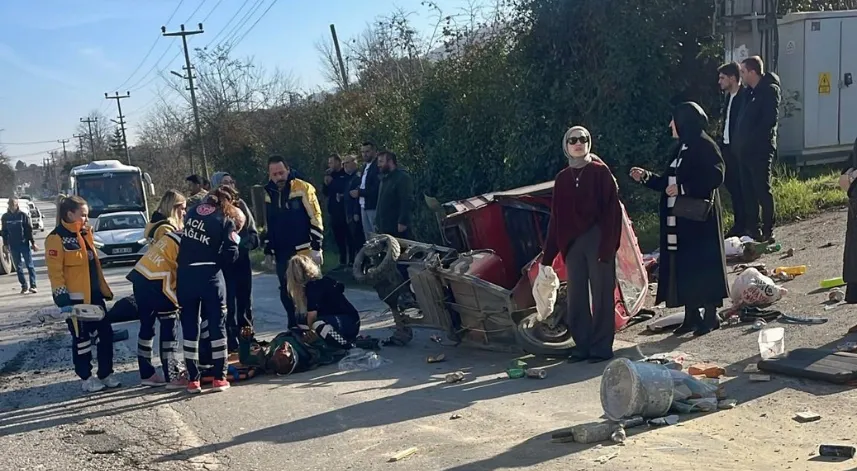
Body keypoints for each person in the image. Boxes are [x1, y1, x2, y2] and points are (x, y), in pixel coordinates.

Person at [631, 102, 729, 336]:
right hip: (679, 220)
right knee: (684, 265)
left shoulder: (705, 145)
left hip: (699, 220)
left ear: (684, 121)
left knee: (702, 265)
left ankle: (710, 315)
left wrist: (684, 188)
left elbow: (717, 175)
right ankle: (691, 315)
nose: (670, 125)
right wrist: (646, 178)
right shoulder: (680, 148)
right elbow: (668, 183)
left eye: (673, 119)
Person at [541, 126, 622, 363]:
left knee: (602, 294)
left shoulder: (600, 173)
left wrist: (608, 246)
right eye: (573, 140)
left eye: (583, 139)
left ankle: (601, 347)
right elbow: (556, 219)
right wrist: (548, 258)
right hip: (573, 245)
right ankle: (582, 345)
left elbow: (612, 214)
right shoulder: (562, 179)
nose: (578, 143)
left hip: (598, 240)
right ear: (566, 146)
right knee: (576, 296)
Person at [45, 196, 120, 393]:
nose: (86, 219)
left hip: (95, 296)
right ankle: (86, 377)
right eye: (83, 215)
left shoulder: (86, 234)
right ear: (70, 214)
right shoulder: (56, 238)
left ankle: (106, 373)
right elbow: (55, 272)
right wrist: (62, 299)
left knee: (106, 335)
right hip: (75, 300)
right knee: (82, 340)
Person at [177, 187, 243, 394]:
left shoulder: (191, 214)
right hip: (210, 277)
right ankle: (219, 378)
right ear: (228, 203)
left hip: (185, 276)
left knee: (190, 326)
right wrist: (218, 261)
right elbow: (232, 253)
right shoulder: (225, 220)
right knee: (216, 325)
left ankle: (193, 380)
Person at [263, 155, 324, 326]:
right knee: (286, 290)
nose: (278, 177)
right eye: (274, 174)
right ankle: (294, 326)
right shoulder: (269, 192)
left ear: (288, 170)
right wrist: (268, 250)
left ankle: (314, 326)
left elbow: (316, 217)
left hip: (303, 250)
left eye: (281, 173)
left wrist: (316, 247)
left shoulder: (303, 188)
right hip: (282, 251)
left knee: (308, 289)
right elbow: (270, 222)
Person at [127, 218, 185, 388]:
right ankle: (172, 375)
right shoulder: (191, 242)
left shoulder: (174, 233)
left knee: (147, 327)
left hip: (141, 275)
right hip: (159, 282)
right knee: (170, 326)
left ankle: (147, 373)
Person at [211, 172, 261, 351]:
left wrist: (242, 244)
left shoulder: (241, 205)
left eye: (231, 182)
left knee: (245, 300)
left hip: (241, 260)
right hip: (223, 265)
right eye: (225, 183)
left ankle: (247, 336)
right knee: (228, 303)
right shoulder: (211, 208)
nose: (229, 186)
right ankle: (231, 339)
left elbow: (254, 234)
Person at [735, 55, 781, 243]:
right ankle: (752, 229)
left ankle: (768, 228)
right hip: (744, 152)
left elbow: (768, 121)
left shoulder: (769, 91)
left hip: (760, 150)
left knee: (762, 189)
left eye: (744, 72)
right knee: (748, 191)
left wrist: (751, 141)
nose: (742, 76)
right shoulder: (748, 93)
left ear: (753, 72)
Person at [286, 254, 361, 349]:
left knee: (317, 324)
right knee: (300, 326)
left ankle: (346, 345)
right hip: (337, 321)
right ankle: (332, 343)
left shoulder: (315, 286)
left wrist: (310, 333)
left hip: (349, 321)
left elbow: (312, 316)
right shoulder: (308, 289)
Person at [237, 325, 348, 376]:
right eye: (285, 352)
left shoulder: (267, 359)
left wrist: (245, 340)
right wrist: (316, 340)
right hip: (320, 327)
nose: (284, 347)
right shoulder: (308, 355)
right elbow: (331, 352)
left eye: (279, 351)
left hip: (295, 326)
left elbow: (245, 359)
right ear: (293, 358)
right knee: (319, 325)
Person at [717, 62, 748, 237]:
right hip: (727, 148)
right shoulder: (728, 97)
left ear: (733, 78)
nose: (719, 81)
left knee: (743, 188)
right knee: (732, 186)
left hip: (739, 149)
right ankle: (738, 223)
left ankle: (747, 223)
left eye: (722, 78)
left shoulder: (744, 96)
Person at [1, 197, 39, 294]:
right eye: (10, 204)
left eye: (13, 204)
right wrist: (5, 245)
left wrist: (33, 242)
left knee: (29, 265)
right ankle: (24, 286)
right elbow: (4, 232)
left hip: (24, 244)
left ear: (17, 205)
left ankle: (33, 285)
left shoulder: (23, 216)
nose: (11, 206)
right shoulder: (5, 217)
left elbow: (28, 230)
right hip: (13, 245)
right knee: (18, 267)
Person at [374, 151, 414, 239]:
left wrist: (402, 222)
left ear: (390, 162)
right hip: (384, 226)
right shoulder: (384, 179)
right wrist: (377, 221)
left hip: (396, 226)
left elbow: (406, 200)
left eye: (381, 161)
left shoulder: (402, 178)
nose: (378, 165)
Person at [322, 154, 352, 269]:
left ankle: (352, 260)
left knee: (349, 236)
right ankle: (342, 260)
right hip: (334, 211)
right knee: (338, 236)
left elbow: (345, 188)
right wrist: (326, 183)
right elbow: (326, 192)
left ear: (339, 162)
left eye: (332, 162)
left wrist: (333, 183)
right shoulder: (330, 175)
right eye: (329, 163)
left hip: (344, 210)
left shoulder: (345, 174)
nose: (330, 165)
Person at [350, 141, 381, 239]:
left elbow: (376, 188)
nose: (365, 154)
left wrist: (360, 192)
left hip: (373, 205)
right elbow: (362, 185)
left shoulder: (377, 166)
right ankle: (371, 254)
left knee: (376, 235)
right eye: (363, 152)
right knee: (368, 236)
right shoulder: (364, 166)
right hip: (363, 205)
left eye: (367, 151)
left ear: (374, 152)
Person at [343, 155, 365, 262]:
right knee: (351, 240)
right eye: (344, 163)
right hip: (348, 212)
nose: (345, 165)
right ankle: (352, 262)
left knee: (358, 240)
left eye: (347, 163)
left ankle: (361, 264)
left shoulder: (357, 177)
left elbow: (357, 196)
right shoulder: (349, 177)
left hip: (355, 213)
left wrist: (356, 212)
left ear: (354, 163)